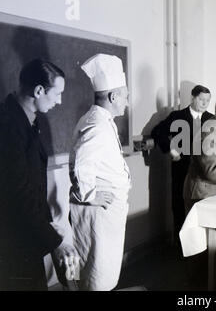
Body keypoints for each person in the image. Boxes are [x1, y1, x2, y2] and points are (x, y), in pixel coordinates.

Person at [0, 59, 78, 290]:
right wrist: (56, 243)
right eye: (57, 94)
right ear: (39, 90)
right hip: (12, 241)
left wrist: (49, 226)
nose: (60, 101)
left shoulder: (27, 120)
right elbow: (19, 194)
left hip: (26, 234)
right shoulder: (8, 125)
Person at [69, 54, 131, 291]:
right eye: (125, 96)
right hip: (97, 213)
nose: (127, 101)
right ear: (114, 96)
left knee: (100, 271)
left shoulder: (102, 120)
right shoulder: (97, 124)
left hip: (105, 214)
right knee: (96, 275)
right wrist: (89, 195)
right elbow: (82, 164)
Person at [150, 85, 213, 235]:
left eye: (208, 100)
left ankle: (201, 242)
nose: (205, 103)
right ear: (192, 98)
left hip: (204, 171)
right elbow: (157, 132)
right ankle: (180, 244)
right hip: (182, 169)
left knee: (203, 204)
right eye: (201, 99)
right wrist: (171, 150)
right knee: (179, 203)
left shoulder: (211, 118)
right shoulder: (177, 116)